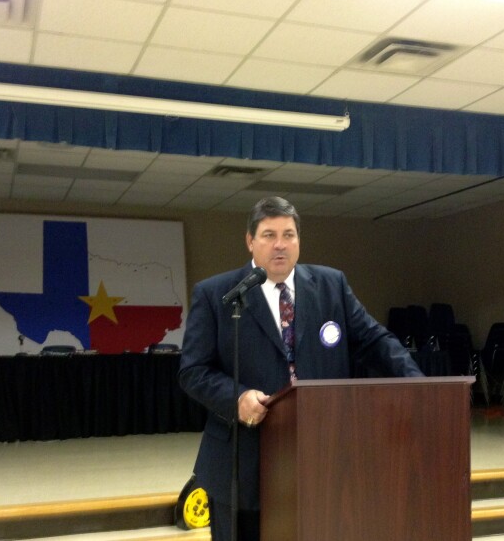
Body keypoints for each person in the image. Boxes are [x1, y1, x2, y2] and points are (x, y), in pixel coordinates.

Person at [178, 196, 424, 541]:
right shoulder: (217, 294)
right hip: (243, 459)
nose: (280, 244)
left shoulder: (331, 285)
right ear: (250, 241)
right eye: (268, 235)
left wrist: (420, 386)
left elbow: (374, 340)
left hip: (323, 454)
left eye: (289, 234)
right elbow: (193, 370)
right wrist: (237, 398)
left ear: (299, 240)